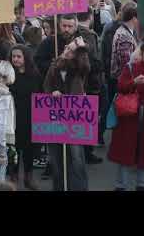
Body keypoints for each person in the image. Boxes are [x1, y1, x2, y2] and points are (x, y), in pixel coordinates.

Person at [108, 39, 144, 191]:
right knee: (126, 151)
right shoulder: (131, 68)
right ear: (141, 54)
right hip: (130, 116)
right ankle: (121, 185)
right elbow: (120, 87)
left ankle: (141, 184)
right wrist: (134, 82)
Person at [43, 37, 90, 191]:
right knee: (56, 156)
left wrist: (82, 49)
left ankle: (79, 188)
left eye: (71, 50)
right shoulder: (55, 65)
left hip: (74, 115)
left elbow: (86, 67)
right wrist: (52, 92)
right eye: (66, 48)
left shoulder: (79, 68)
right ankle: (59, 187)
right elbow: (46, 86)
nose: (67, 51)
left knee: (76, 156)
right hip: (56, 115)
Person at [8, 44, 41, 190]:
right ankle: (13, 177)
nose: (15, 59)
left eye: (18, 56)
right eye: (13, 56)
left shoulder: (34, 74)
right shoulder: (7, 75)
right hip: (12, 116)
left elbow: (40, 94)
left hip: (29, 116)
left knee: (28, 149)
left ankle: (29, 177)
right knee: (13, 148)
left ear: (25, 58)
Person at [110, 2, 139, 97]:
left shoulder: (125, 32)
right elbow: (126, 64)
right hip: (125, 83)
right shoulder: (124, 36)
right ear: (134, 19)